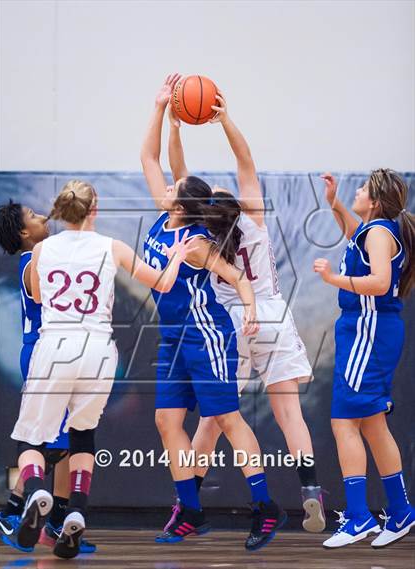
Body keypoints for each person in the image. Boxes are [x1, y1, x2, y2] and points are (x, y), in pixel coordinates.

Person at [164, 91, 326, 533]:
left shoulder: (201, 234)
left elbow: (181, 178)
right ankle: (310, 489)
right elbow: (246, 158)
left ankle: (188, 505)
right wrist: (225, 120)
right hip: (271, 313)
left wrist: (175, 127)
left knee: (215, 421)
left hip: (231, 324)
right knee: (290, 414)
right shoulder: (252, 215)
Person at [9, 180, 194, 558]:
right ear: (95, 209)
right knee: (83, 436)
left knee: (32, 439)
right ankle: (75, 509)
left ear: (61, 209)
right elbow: (163, 282)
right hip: (97, 350)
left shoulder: (43, 249)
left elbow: (40, 297)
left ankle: (34, 491)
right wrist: (176, 256)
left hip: (55, 345)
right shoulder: (113, 246)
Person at [141, 75, 286, 551]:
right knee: (167, 422)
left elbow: (240, 278)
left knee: (227, 419)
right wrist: (165, 110)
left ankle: (265, 507)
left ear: (181, 204)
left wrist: (248, 311)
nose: (165, 184)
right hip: (173, 339)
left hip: (207, 337)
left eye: (174, 186)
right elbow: (151, 158)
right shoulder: (167, 216)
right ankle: (192, 513)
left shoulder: (197, 241)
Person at [313, 170, 415, 548]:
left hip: (368, 332)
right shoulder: (375, 230)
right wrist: (335, 203)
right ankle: (401, 510)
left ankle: (358, 517)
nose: (357, 191)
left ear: (374, 201)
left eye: (361, 189)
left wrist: (332, 280)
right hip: (370, 331)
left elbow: (378, 282)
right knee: (372, 424)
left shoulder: (378, 233)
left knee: (344, 423)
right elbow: (353, 233)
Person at [0, 201, 95, 554]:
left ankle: (54, 518)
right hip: (42, 354)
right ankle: (13, 510)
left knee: (63, 443)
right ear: (24, 232)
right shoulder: (34, 261)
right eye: (34, 217)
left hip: (56, 354)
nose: (42, 218)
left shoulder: (41, 256)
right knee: (51, 442)